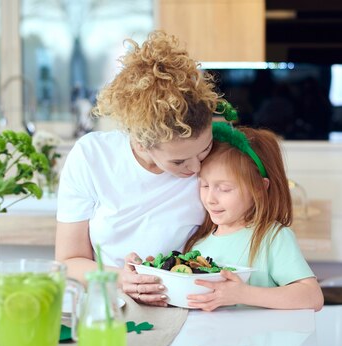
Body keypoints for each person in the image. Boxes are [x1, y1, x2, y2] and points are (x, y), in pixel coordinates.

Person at [55, 30, 219, 306]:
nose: (197, 167)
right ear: (141, 144)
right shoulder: (93, 157)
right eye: (178, 161)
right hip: (109, 307)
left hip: (191, 307)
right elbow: (68, 262)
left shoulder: (221, 157)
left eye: (204, 149)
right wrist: (120, 278)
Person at [183, 122, 324, 312]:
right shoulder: (198, 243)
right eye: (205, 185)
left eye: (225, 189)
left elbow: (312, 297)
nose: (210, 199)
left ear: (258, 188)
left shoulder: (272, 237)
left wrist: (242, 294)